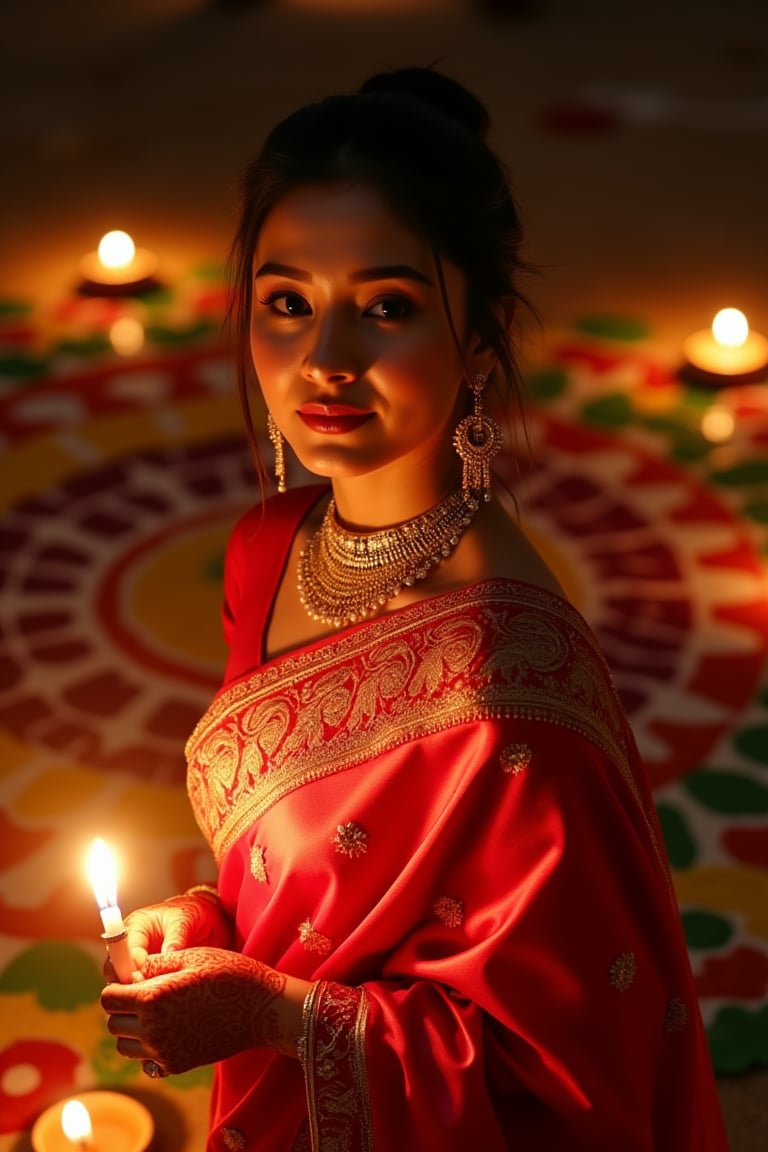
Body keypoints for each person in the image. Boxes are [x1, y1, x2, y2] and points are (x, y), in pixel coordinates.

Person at [101, 67, 728, 1151]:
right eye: (286, 303)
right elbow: (317, 883)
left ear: (479, 346)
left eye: (385, 307)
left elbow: (573, 1065)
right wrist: (206, 923)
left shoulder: (505, 676)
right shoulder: (270, 548)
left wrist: (267, 1011)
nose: (324, 361)